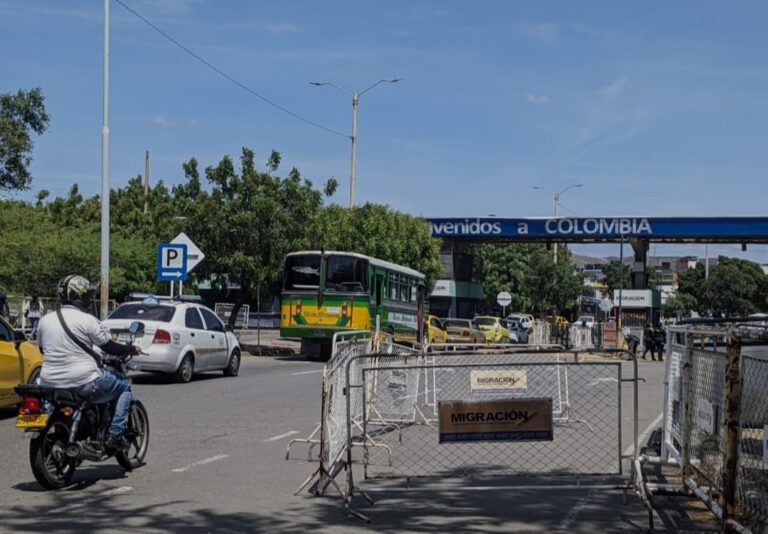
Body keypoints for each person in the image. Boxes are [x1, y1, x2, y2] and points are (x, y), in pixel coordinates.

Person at [37, 275, 140, 450]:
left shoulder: (45, 320)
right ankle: (115, 435)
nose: (89, 299)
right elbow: (109, 347)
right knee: (123, 385)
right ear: (80, 297)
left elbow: (42, 348)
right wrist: (130, 349)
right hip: (84, 380)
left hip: (49, 382)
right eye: (88, 295)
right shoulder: (88, 320)